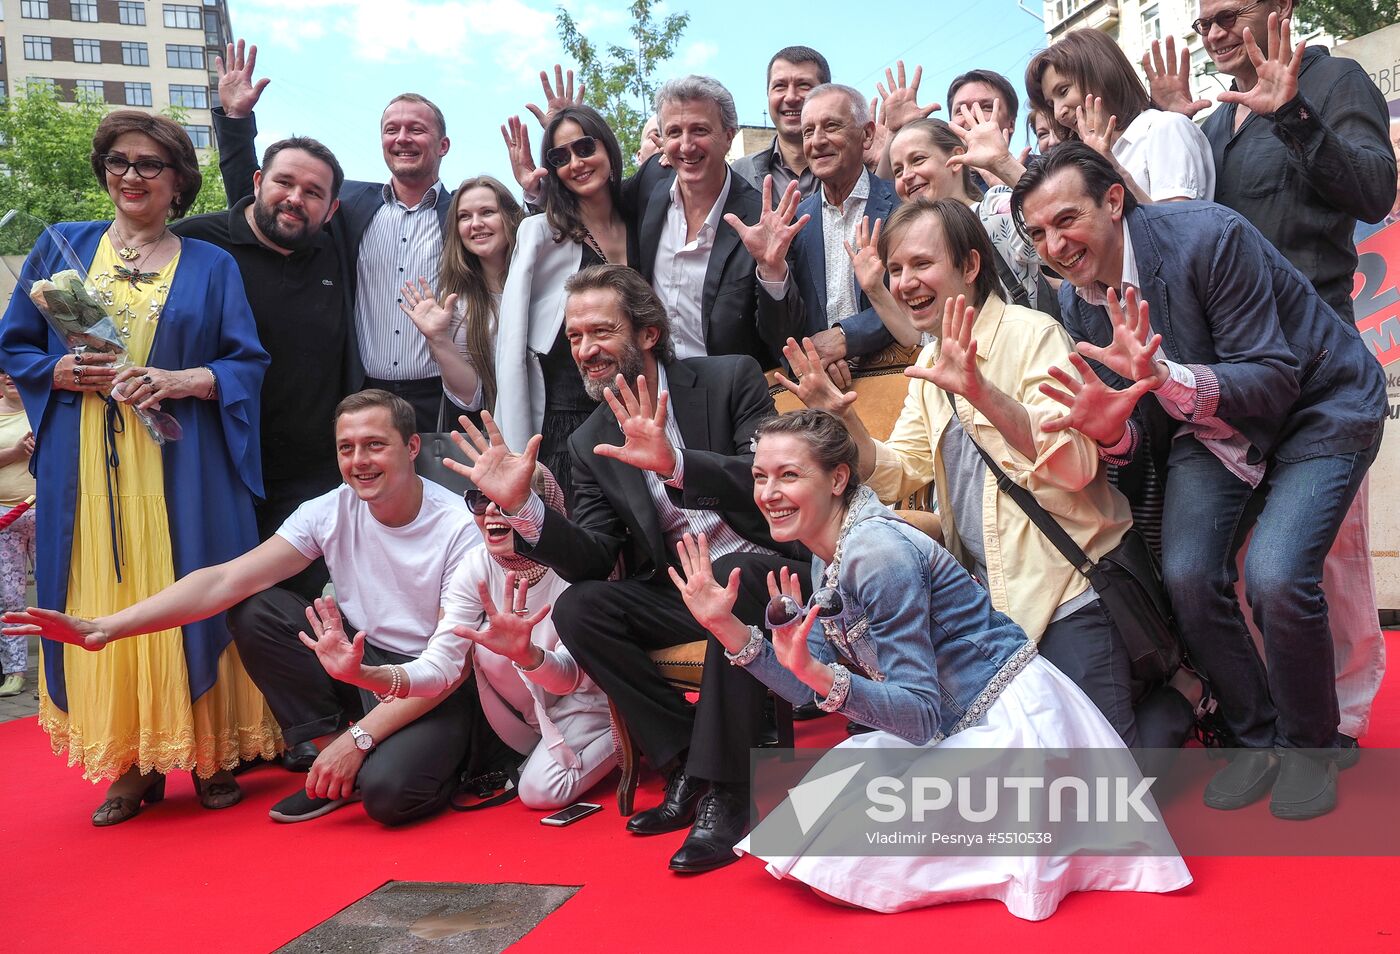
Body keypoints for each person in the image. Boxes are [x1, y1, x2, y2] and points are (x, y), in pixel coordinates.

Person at [668, 408, 1192, 916]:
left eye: (788, 475)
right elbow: (810, 687)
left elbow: (914, 714)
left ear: (837, 479)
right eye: (760, 476)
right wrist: (728, 627)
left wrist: (818, 673)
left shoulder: (877, 556)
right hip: (942, 723)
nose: (768, 494)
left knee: (848, 864)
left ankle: (1179, 700)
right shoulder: (823, 545)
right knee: (826, 845)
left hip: (1003, 723)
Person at [1013, 143, 1387, 819]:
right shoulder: (1076, 302)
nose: (1055, 245)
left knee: (1276, 576)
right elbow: (1140, 436)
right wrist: (1111, 430)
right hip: (1210, 427)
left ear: (1114, 199)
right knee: (1187, 577)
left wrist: (1163, 380)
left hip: (1318, 409)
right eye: (1036, 233)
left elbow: (1275, 375)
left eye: (1066, 219)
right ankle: (1254, 739)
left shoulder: (1206, 236)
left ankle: (1312, 744)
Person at [778, 197, 1193, 747]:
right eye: (895, 269)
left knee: (1102, 789)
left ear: (970, 266)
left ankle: (1181, 701)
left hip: (1070, 590)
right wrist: (843, 417)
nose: (905, 283)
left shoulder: (1032, 335)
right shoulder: (927, 359)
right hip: (994, 609)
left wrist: (981, 392)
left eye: (921, 264)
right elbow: (901, 470)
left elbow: (1076, 469)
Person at [5, 390, 517, 826]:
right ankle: (331, 752)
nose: (359, 460)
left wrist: (362, 738)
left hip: (438, 681)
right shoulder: (329, 509)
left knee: (390, 798)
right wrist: (105, 628)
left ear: (410, 448)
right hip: (363, 661)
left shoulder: (458, 528)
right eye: (347, 448)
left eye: (375, 445)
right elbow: (225, 580)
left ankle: (407, 758)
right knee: (257, 609)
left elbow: (448, 667)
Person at [448, 264, 809, 873]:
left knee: (732, 579)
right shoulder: (591, 437)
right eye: (573, 337)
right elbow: (592, 552)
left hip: (770, 572)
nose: (584, 350)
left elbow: (775, 485)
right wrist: (525, 507)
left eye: (599, 332)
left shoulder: (729, 379)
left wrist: (679, 466)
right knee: (580, 607)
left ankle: (730, 795)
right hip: (681, 588)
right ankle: (689, 762)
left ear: (648, 332)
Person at [0, 110, 279, 824]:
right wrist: (59, 372)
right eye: (120, 161)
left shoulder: (211, 265)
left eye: (150, 164)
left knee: (194, 582)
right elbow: (15, 347)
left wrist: (180, 380)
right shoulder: (62, 252)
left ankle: (213, 752)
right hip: (89, 466)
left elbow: (245, 362)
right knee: (107, 584)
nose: (132, 175)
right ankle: (130, 762)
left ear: (177, 181)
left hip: (184, 464)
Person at [1145, 4, 1397, 754]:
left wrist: (1294, 114)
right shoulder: (1213, 126)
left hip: (1322, 374)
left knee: (1324, 564)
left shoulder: (1333, 80)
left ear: (1279, 10)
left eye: (1232, 14)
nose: (1217, 31)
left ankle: (1336, 723)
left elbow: (1376, 191)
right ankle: (1273, 717)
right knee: (1237, 568)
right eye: (1205, 24)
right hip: (1236, 381)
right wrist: (1172, 135)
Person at [307, 464, 614, 810]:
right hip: (525, 719)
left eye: (509, 499)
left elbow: (571, 680)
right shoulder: (475, 566)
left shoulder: (575, 566)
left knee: (541, 792)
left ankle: (626, 735)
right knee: (489, 652)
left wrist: (529, 656)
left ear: (542, 510)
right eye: (481, 500)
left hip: (588, 704)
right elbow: (441, 666)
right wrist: (362, 675)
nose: (492, 511)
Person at [213, 40, 454, 431]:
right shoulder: (349, 203)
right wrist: (236, 122)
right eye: (392, 129)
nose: (402, 138)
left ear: (442, 145)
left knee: (443, 494)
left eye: (417, 129)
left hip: (443, 397)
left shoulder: (468, 211)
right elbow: (263, 205)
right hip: (361, 395)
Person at [172, 136, 357, 607]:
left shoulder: (333, 252)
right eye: (284, 182)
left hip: (309, 478)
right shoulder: (193, 243)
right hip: (215, 465)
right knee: (209, 604)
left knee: (294, 613)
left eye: (314, 192)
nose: (296, 198)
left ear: (331, 209)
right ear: (257, 182)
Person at [494, 106, 628, 504]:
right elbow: (513, 345)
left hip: (634, 419)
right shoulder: (540, 232)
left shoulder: (640, 221)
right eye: (560, 157)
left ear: (608, 147)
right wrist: (519, 452)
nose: (576, 162)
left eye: (585, 147)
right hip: (563, 431)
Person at [741, 83, 909, 369]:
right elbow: (777, 334)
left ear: (866, 135)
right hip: (820, 387)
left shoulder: (902, 206)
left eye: (831, 126)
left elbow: (915, 300)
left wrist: (846, 337)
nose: (817, 141)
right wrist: (771, 272)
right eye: (808, 131)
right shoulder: (794, 223)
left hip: (897, 379)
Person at [1027, 28, 1215, 204]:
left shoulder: (1163, 128)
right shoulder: (1093, 156)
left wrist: (1113, 168)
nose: (1059, 113)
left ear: (1100, 74)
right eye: (1051, 104)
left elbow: (1176, 230)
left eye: (1064, 91)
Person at [399, 175, 524, 418]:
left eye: (487, 212)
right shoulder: (458, 301)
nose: (475, 224)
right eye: (464, 216)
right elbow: (471, 398)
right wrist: (438, 338)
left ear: (511, 217)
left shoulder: (542, 282)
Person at [888, 118, 1045, 310]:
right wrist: (874, 288)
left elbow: (1059, 234)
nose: (906, 175)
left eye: (918, 160)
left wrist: (1004, 164)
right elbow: (915, 335)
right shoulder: (910, 244)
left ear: (956, 159)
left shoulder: (995, 209)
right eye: (897, 170)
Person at [730, 46, 830, 200]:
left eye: (803, 85)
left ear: (826, 93)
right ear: (768, 95)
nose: (791, 97)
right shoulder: (738, 175)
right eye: (780, 86)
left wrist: (878, 164)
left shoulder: (853, 166)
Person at [0, 373, 36, 698]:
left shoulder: (42, 407)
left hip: (46, 513)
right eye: (2, 369)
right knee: (10, 598)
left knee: (58, 593)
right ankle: (14, 671)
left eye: (15, 368)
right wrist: (14, 452)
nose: (9, 375)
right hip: (4, 518)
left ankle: (59, 674)